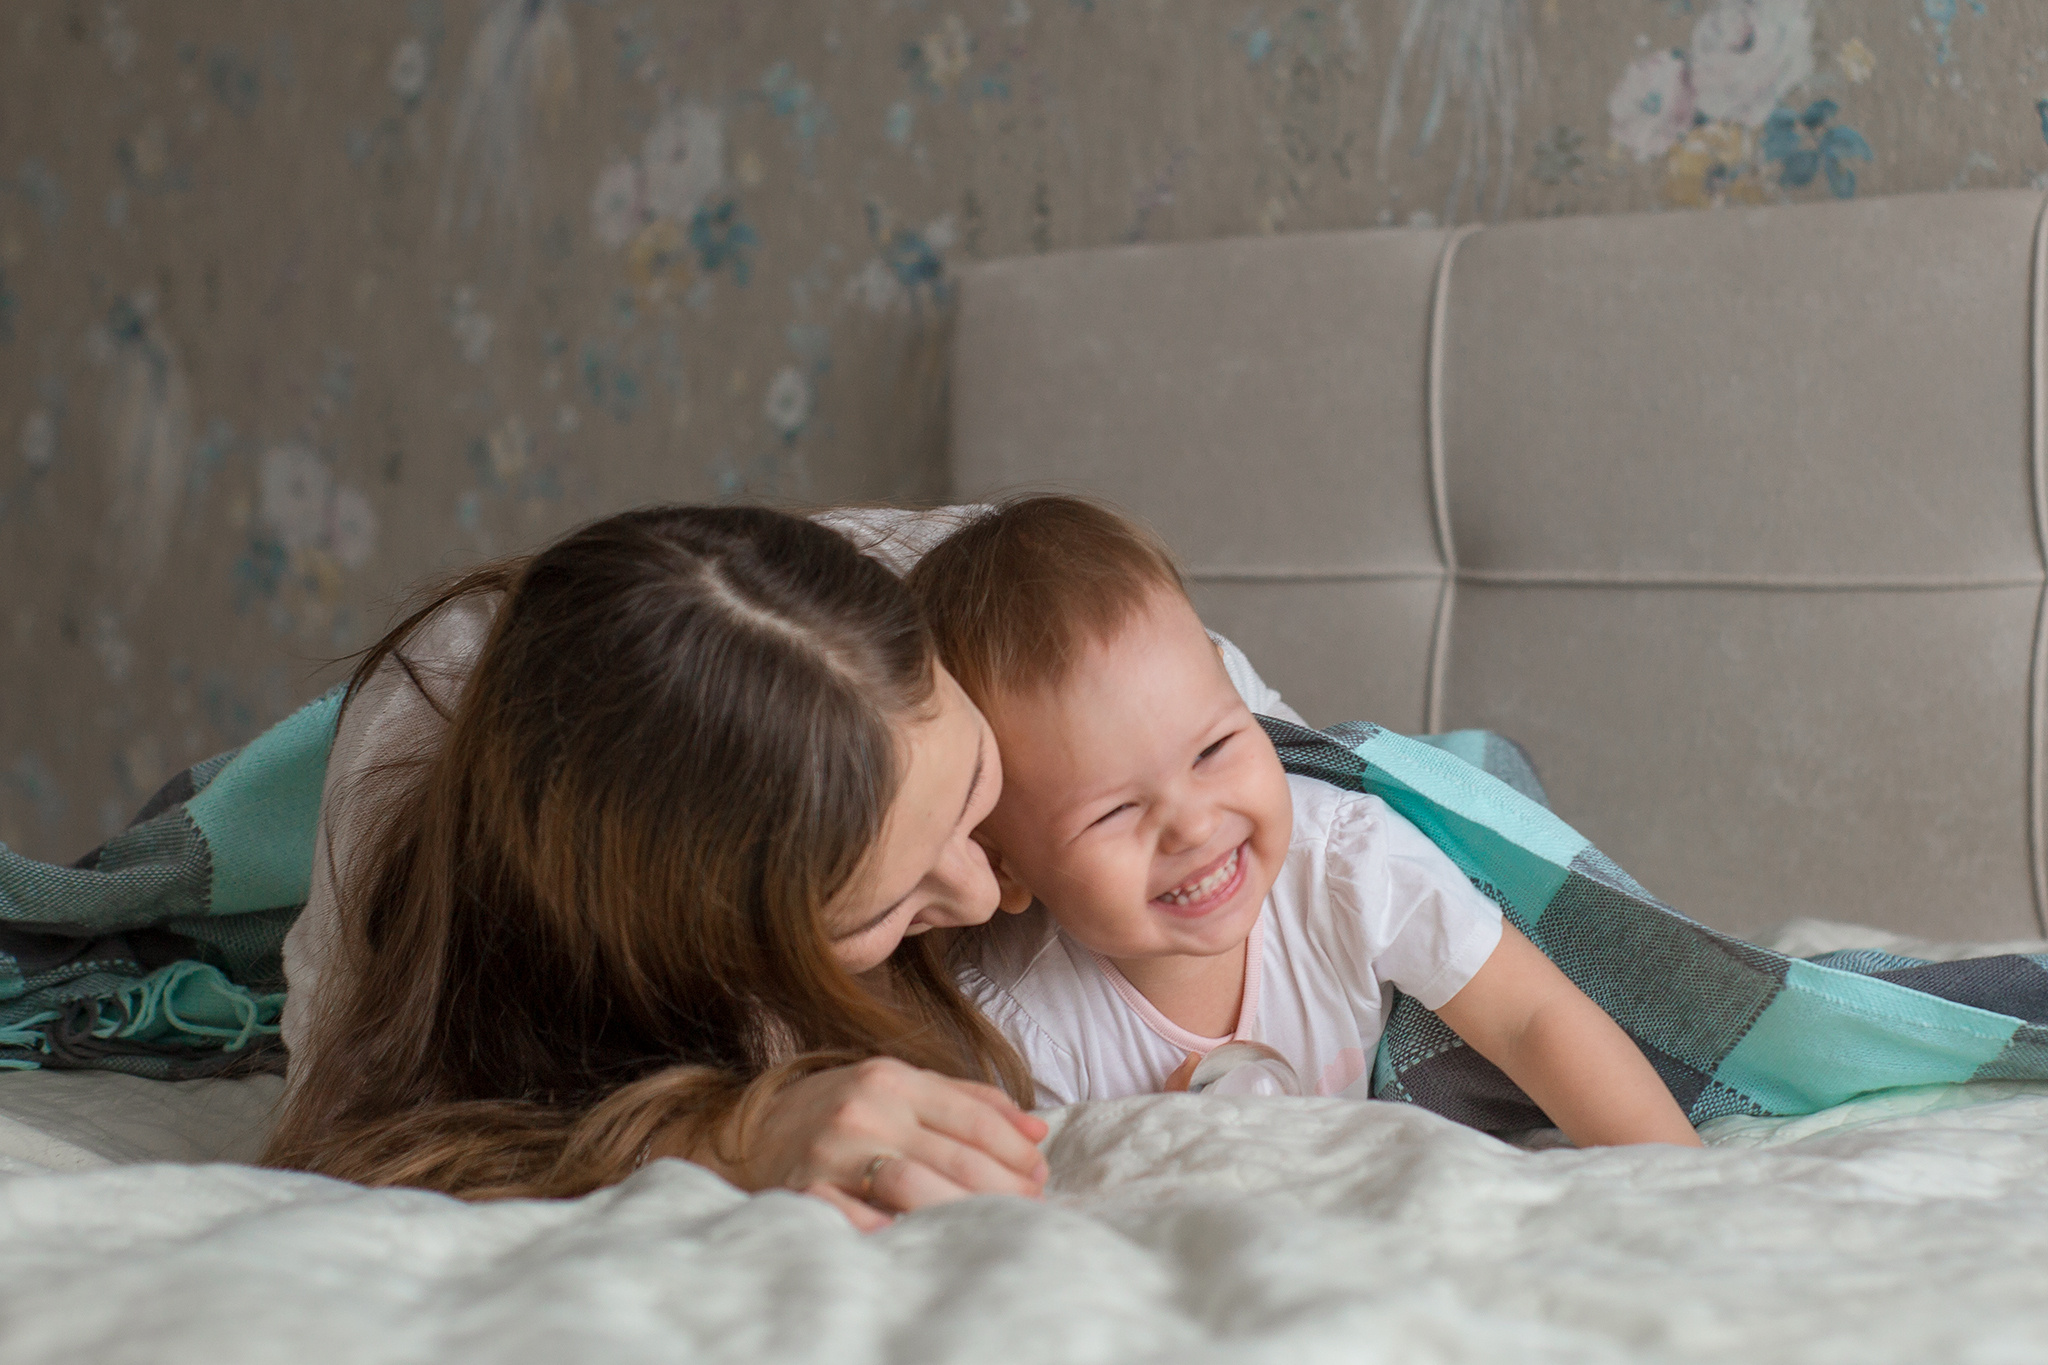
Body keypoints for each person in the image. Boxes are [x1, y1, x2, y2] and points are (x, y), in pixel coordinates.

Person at [263, 505, 1054, 1227]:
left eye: (976, 779)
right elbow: (345, 1146)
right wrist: (730, 1136)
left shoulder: (1005, 583)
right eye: (879, 908)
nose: (987, 897)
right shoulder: (406, 761)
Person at [906, 496, 1701, 1148]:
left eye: (1216, 746)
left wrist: (1677, 1182)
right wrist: (1143, 1145)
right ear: (1005, 868)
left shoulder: (1343, 858)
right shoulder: (1021, 1026)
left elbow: (1532, 1019)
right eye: (1116, 810)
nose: (1191, 822)